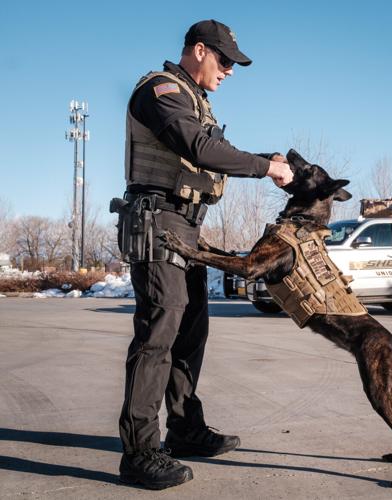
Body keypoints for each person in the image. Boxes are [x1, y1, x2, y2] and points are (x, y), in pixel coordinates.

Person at [115, 19, 293, 490]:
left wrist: (266, 160)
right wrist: (265, 168)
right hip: (159, 222)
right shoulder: (160, 91)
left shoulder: (197, 103)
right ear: (199, 50)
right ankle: (139, 452)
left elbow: (217, 148)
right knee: (159, 332)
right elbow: (196, 146)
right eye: (226, 60)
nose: (231, 71)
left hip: (189, 227)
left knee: (190, 331)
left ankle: (185, 430)